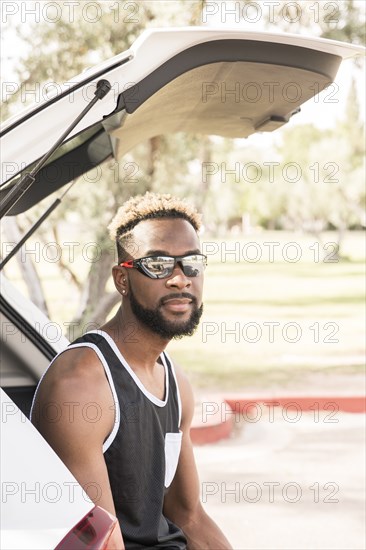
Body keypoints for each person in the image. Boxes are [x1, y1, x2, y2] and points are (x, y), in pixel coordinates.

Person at [31, 192, 232, 549]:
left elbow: (189, 516)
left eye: (192, 263)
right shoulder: (80, 385)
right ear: (122, 279)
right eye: (157, 264)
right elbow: (100, 541)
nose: (179, 279)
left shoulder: (176, 383)